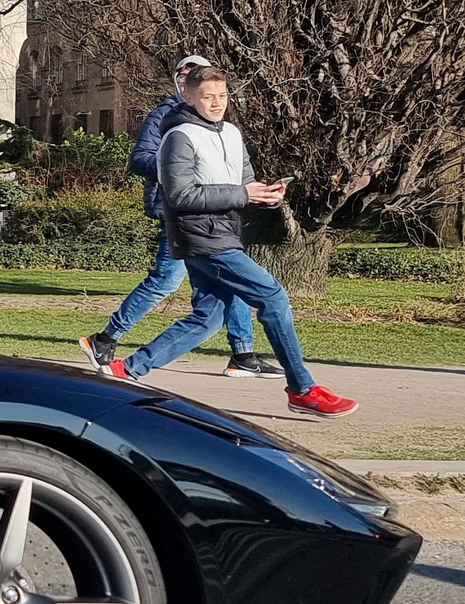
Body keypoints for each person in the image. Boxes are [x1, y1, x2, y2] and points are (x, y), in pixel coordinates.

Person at [104, 71, 355, 417]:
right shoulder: (178, 136)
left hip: (225, 231)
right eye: (208, 96)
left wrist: (265, 194)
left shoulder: (232, 133)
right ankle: (302, 389)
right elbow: (179, 195)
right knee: (273, 296)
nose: (217, 102)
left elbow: (244, 180)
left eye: (223, 95)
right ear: (189, 98)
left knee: (208, 317)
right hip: (200, 236)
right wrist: (241, 193)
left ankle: (127, 369)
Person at [80, 58, 276, 377]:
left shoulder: (217, 125)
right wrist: (180, 165)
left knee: (231, 280)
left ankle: (243, 353)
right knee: (167, 281)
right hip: (181, 214)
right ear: (178, 84)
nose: (187, 82)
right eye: (182, 76)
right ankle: (104, 339)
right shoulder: (165, 116)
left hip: (215, 217)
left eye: (194, 77)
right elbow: (140, 159)